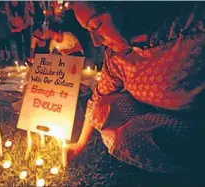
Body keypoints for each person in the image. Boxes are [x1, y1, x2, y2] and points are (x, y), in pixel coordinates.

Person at [68, 2, 205, 173]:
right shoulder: (117, 56)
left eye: (97, 25)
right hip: (151, 117)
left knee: (129, 139)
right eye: (89, 30)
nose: (95, 42)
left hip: (193, 123)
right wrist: (78, 145)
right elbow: (97, 98)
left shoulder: (190, 30)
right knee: (101, 108)